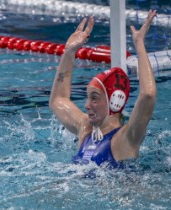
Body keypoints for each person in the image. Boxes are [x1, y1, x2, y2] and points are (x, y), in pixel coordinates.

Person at [49, 10, 157, 168]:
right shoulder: (85, 128)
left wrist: (139, 43)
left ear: (115, 101)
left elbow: (148, 94)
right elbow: (58, 101)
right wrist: (69, 52)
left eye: (94, 98)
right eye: (88, 98)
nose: (86, 105)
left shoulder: (125, 138)